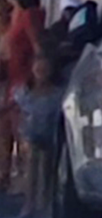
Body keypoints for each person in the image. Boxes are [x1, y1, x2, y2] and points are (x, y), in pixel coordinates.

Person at [2, 0, 47, 197]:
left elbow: (38, 46)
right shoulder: (16, 15)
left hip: (24, 80)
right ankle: (13, 179)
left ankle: (28, 187)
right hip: (13, 78)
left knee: (24, 135)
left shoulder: (29, 16)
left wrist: (36, 77)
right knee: (9, 129)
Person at [19, 43, 62, 218]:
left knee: (47, 169)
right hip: (31, 135)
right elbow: (19, 112)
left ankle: (46, 205)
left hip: (49, 135)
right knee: (31, 168)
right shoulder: (25, 93)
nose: (41, 72)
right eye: (38, 69)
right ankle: (29, 204)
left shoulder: (57, 95)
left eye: (45, 69)